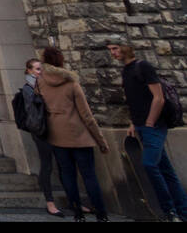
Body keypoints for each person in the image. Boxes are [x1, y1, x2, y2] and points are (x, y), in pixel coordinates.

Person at [108, 41, 187, 221]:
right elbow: (135, 100)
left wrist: (150, 122)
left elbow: (158, 98)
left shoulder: (143, 67)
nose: (113, 53)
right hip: (142, 126)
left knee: (150, 164)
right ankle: (182, 210)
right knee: (165, 169)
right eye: (111, 50)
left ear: (126, 47)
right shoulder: (126, 71)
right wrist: (133, 123)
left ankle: (168, 210)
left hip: (155, 125)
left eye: (115, 48)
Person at [38, 46, 109, 222]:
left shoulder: (40, 83)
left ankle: (78, 214)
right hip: (79, 135)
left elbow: (39, 108)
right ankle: (101, 214)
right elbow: (87, 115)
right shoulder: (71, 82)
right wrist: (100, 140)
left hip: (56, 135)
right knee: (89, 175)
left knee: (68, 175)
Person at [20, 58, 66, 216]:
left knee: (64, 165)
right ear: (29, 71)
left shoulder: (47, 85)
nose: (41, 72)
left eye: (42, 69)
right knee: (47, 165)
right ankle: (50, 202)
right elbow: (35, 107)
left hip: (57, 129)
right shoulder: (29, 88)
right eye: (37, 69)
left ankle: (74, 200)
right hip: (41, 131)